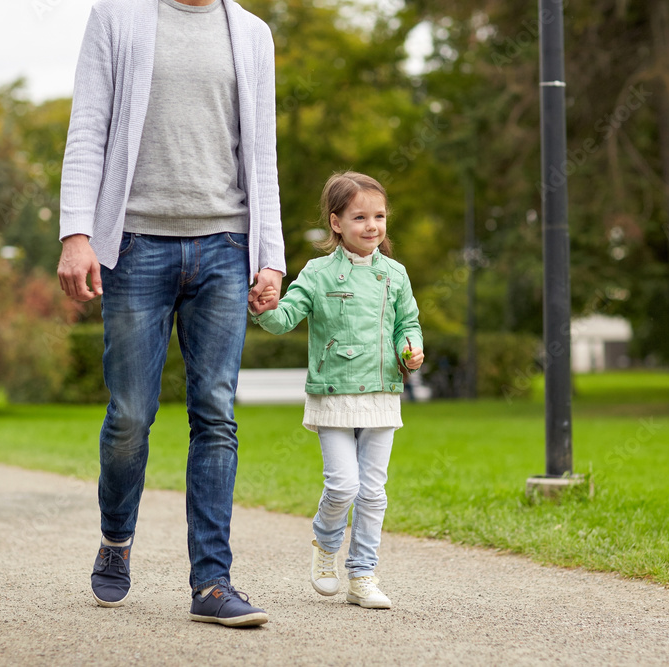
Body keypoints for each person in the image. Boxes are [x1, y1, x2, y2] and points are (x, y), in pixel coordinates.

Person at [56, 0, 284, 628]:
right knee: (131, 414)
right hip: (133, 244)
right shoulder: (119, 17)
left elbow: (260, 151)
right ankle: (116, 535)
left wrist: (271, 255)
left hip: (226, 246)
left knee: (216, 413)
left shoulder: (252, 33)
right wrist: (77, 232)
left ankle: (212, 583)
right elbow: (88, 127)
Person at [249, 171, 423, 610]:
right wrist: (265, 308)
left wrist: (411, 349)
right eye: (360, 216)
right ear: (336, 222)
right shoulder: (318, 273)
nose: (372, 226)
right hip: (333, 394)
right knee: (344, 485)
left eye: (379, 216)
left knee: (373, 492)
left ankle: (362, 574)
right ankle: (326, 545)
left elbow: (409, 324)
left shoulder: (395, 275)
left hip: (382, 392)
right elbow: (286, 316)